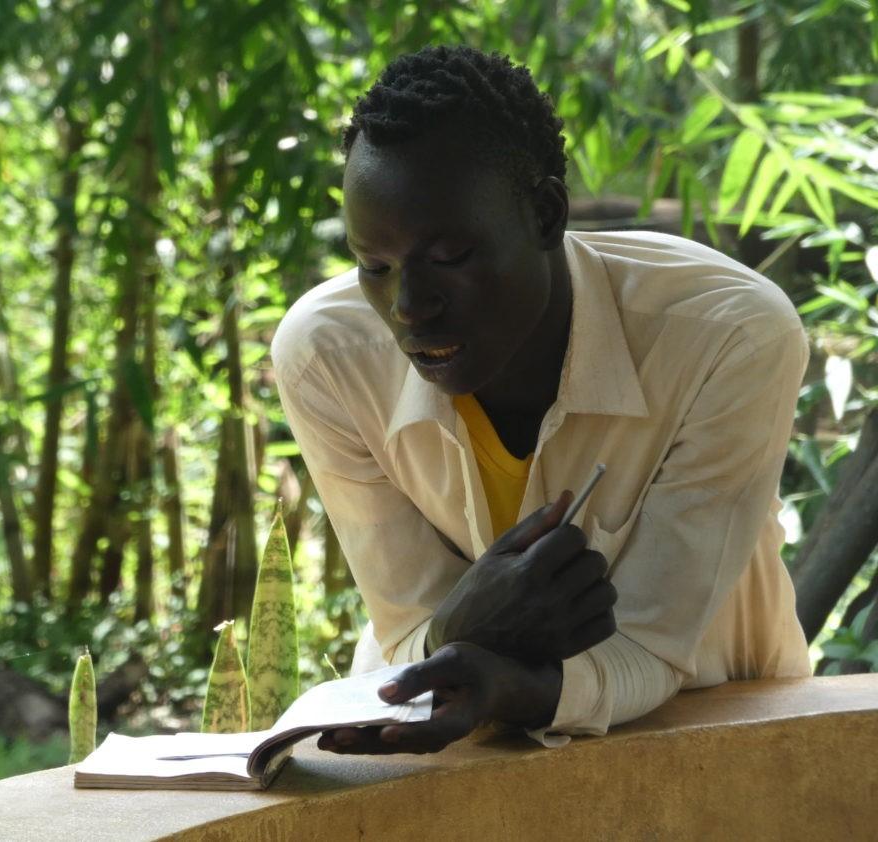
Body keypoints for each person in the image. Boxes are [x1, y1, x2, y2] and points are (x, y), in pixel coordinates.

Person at [271, 45, 810, 755]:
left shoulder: (726, 336)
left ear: (546, 213)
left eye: (451, 258)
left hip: (709, 740)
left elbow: (652, 640)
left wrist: (499, 676)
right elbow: (409, 627)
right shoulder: (329, 359)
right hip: (452, 749)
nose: (407, 307)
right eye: (374, 266)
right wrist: (451, 640)